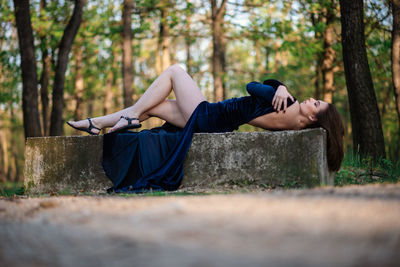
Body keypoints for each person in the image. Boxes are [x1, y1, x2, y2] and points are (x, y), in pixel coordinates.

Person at [67, 64, 344, 193]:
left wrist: (280, 87)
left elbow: (251, 87)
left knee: (175, 71)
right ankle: (96, 123)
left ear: (314, 119)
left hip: (209, 115)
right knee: (152, 107)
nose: (311, 99)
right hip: (214, 121)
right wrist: (279, 85)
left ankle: (128, 117)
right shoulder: (294, 125)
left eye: (316, 104)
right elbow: (264, 87)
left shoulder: (289, 103)